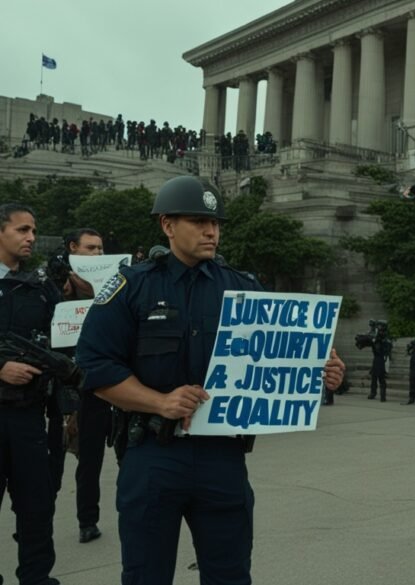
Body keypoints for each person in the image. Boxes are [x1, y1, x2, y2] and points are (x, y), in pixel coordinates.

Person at [75, 176, 345, 585]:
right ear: (167, 225)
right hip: (152, 455)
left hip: (223, 459)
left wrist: (322, 373)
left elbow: (282, 359)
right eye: (199, 221)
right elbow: (94, 367)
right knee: (145, 575)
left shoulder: (244, 288)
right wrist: (160, 402)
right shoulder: (133, 286)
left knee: (230, 575)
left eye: (216, 222)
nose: (211, 231)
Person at [0, 203, 63, 585]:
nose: (31, 238)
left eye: (34, 231)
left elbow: (67, 336)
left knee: (37, 506)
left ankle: (37, 579)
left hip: (29, 416)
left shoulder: (40, 288)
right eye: (22, 230)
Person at [59, 229, 110, 543]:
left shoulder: (114, 286)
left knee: (130, 457)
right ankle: (87, 521)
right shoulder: (59, 289)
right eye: (90, 248)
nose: (97, 254)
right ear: (73, 249)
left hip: (116, 382)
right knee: (89, 460)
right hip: (83, 388)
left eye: (101, 249)